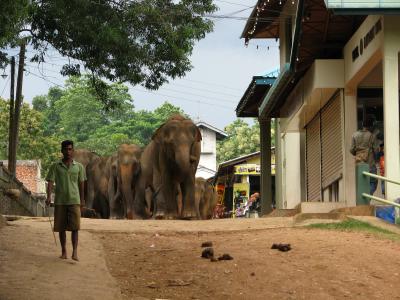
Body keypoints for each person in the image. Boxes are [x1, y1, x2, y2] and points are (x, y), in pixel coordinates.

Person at [46, 140, 86, 261]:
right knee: (61, 228)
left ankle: (75, 252)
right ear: (62, 151)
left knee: (75, 227)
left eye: (70, 149)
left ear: (73, 151)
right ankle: (64, 251)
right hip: (60, 201)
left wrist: (82, 200)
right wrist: (48, 197)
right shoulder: (55, 166)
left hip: (75, 200)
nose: (68, 152)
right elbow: (50, 183)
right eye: (66, 149)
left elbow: (82, 184)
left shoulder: (79, 167)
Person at [350, 118, 378, 195]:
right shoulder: (372, 136)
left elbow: (351, 150)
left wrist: (359, 154)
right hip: (370, 165)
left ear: (363, 125)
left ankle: (364, 199)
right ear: (371, 126)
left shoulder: (354, 135)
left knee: (361, 185)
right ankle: (366, 198)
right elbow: (376, 151)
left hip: (359, 165)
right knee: (373, 183)